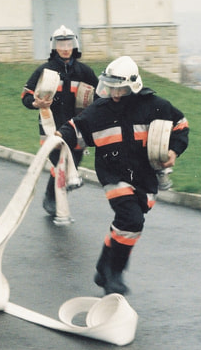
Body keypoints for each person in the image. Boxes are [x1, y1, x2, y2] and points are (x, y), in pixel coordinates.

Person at [55, 56, 189, 295]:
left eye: (120, 88)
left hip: (145, 176)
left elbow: (180, 124)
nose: (114, 93)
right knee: (131, 221)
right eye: (110, 87)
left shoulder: (154, 105)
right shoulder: (99, 110)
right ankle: (114, 275)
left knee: (128, 225)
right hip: (113, 174)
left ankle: (103, 267)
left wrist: (173, 151)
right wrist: (59, 137)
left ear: (134, 85)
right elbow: (75, 128)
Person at [21, 25, 99, 216]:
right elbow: (26, 95)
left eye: (68, 43)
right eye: (61, 44)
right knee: (59, 163)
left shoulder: (84, 72)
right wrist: (35, 103)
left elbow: (99, 96)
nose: (65, 48)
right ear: (54, 47)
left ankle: (58, 193)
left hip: (77, 127)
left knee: (74, 160)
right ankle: (51, 198)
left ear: (75, 46)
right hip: (51, 127)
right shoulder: (44, 70)